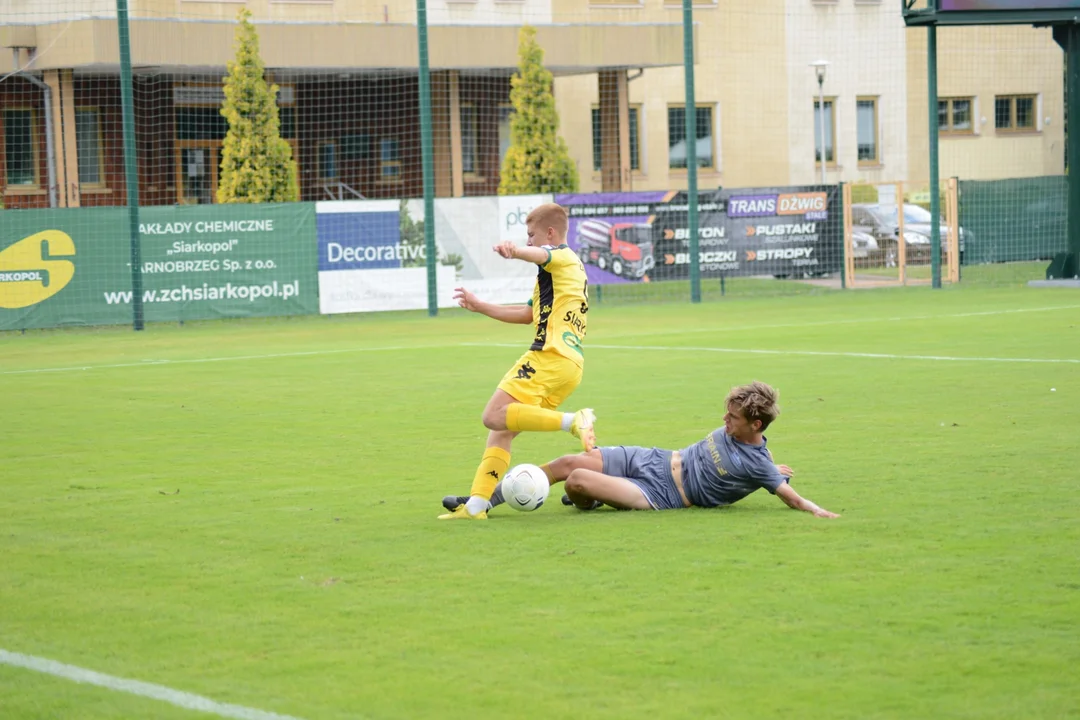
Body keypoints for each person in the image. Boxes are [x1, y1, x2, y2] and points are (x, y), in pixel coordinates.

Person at [443, 381, 839, 519]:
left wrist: (816, 509)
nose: (724, 420)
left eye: (732, 418)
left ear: (755, 424)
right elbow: (767, 470)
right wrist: (771, 471)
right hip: (653, 458)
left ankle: (591, 497)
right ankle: (483, 499)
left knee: (577, 482)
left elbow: (788, 494)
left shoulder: (758, 464)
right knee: (567, 461)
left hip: (662, 495)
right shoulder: (753, 452)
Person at [438, 203, 596, 521]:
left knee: (493, 415)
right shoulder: (556, 277)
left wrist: (515, 253)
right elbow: (527, 314)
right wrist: (480, 305)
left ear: (550, 233)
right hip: (568, 366)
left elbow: (542, 255)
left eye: (531, 235)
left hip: (549, 356)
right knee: (503, 431)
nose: (528, 242)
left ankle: (573, 421)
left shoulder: (562, 257)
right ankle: (477, 505)